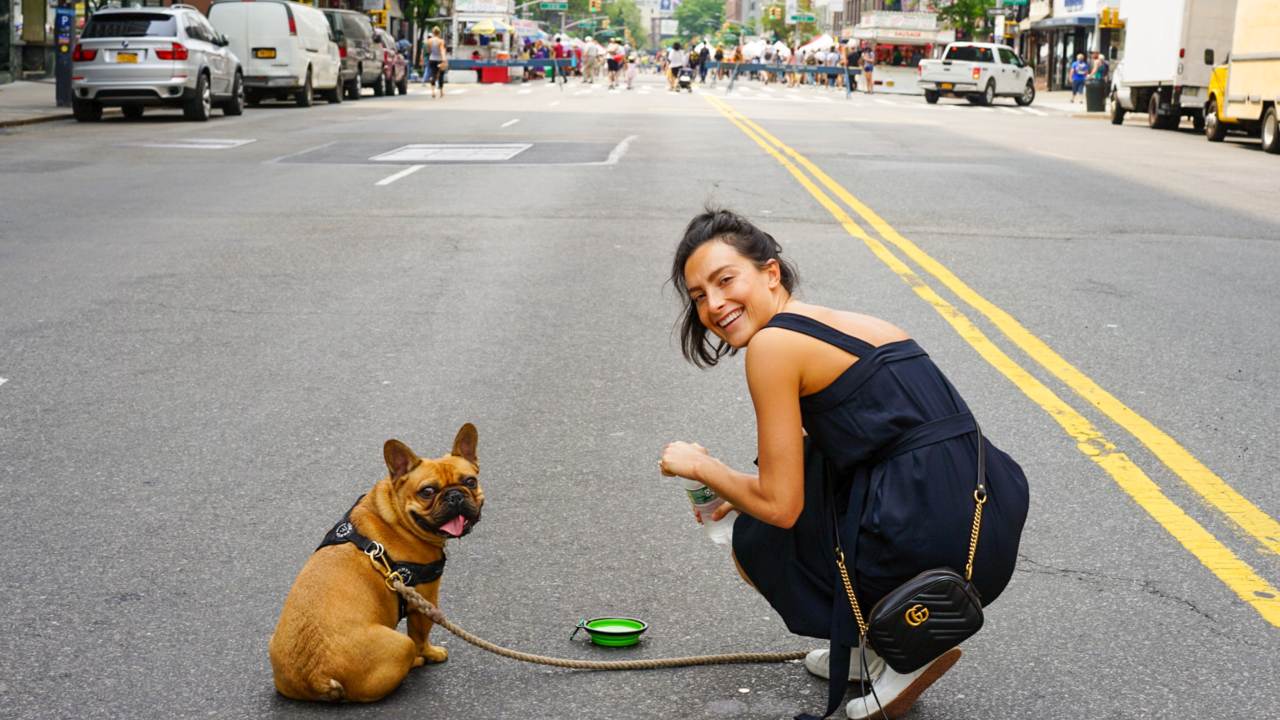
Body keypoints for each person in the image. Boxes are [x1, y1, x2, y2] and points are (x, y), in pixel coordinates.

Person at [660, 209, 1029, 720]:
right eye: (699, 296)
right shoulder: (850, 324)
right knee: (799, 484)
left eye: (725, 280)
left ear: (771, 273)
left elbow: (781, 506)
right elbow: (827, 469)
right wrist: (738, 487)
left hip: (934, 539)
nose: (714, 304)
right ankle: (874, 645)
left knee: (757, 538)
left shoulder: (772, 346)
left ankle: (910, 642)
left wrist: (701, 467)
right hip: (985, 520)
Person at [425, 27, 448, 98]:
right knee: (441, 75)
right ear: (439, 33)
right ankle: (441, 92)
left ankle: (433, 91)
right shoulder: (441, 41)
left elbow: (428, 51)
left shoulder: (429, 41)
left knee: (433, 74)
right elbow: (442, 50)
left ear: (433, 33)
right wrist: (444, 59)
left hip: (432, 59)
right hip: (440, 59)